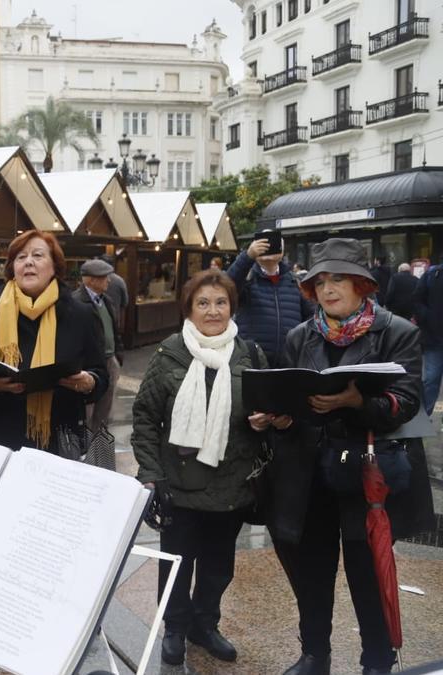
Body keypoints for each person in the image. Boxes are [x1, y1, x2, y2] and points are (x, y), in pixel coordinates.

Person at [267, 239, 433, 675]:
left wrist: (356, 403)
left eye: (337, 278)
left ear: (362, 284)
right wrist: (281, 418)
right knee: (313, 572)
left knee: (367, 573)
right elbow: (293, 400)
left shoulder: (398, 331)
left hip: (367, 474)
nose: (327, 288)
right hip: (312, 473)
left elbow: (407, 402)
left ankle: (376, 660)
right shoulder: (299, 336)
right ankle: (314, 654)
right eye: (319, 281)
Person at [132, 270, 270, 667]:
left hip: (233, 483)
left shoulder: (250, 355)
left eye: (221, 302)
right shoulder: (171, 354)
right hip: (179, 482)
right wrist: (151, 473)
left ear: (232, 306)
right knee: (177, 563)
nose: (213, 311)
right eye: (203, 303)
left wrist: (263, 419)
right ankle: (175, 627)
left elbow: (266, 409)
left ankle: (205, 624)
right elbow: (144, 418)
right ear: (189, 309)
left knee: (218, 564)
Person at [0, 231, 108, 453]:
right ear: (13, 268)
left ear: (54, 267)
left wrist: (90, 381)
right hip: (4, 436)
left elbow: (101, 373)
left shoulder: (80, 314)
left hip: (62, 437)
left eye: (37, 255)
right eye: (20, 257)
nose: (28, 261)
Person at [226, 231, 313, 368]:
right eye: (263, 244)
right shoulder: (247, 279)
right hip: (251, 361)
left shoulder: (295, 281)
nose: (268, 247)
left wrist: (301, 345)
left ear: (282, 250)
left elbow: (311, 317)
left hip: (289, 364)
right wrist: (248, 256)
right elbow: (227, 286)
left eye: (273, 243)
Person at [72, 258, 123, 437]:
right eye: (104, 277)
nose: (109, 281)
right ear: (91, 280)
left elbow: (114, 330)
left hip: (110, 361)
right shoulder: (77, 302)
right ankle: (85, 454)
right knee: (87, 412)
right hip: (89, 366)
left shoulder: (106, 300)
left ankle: (100, 452)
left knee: (104, 411)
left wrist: (118, 355)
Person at [414, 258, 443, 414]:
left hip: (434, 336)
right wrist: (427, 317)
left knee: (431, 379)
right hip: (434, 339)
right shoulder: (433, 274)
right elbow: (417, 298)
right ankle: (425, 415)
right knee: (431, 379)